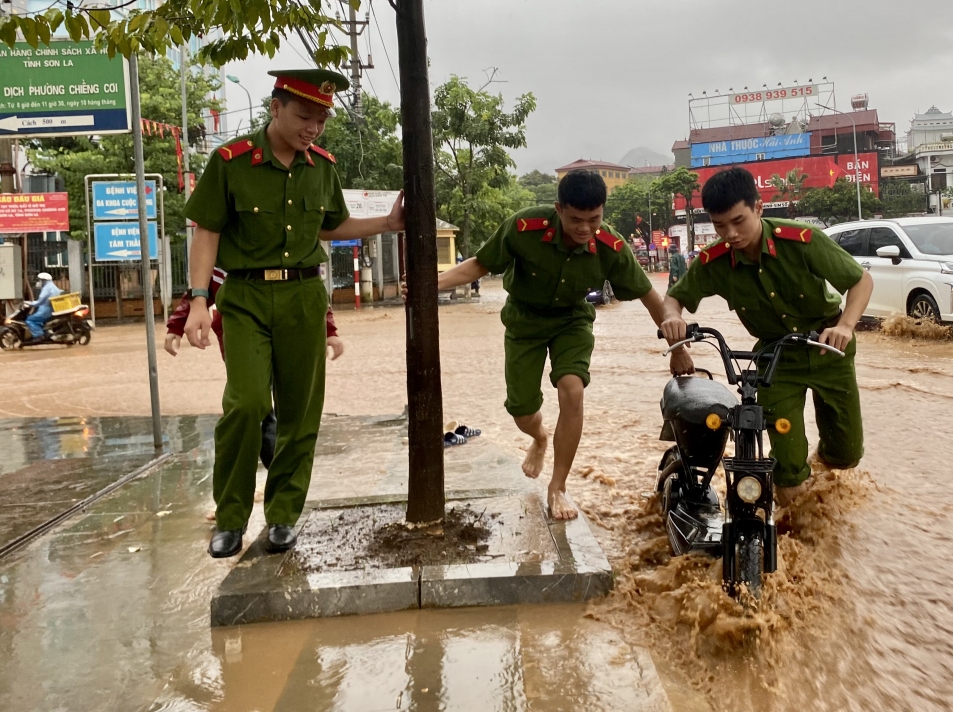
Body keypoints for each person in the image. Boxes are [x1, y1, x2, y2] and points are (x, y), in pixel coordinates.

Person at [182, 68, 405, 559]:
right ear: (276, 107)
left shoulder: (322, 166)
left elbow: (332, 224)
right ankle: (231, 516)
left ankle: (283, 514)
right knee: (244, 405)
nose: (313, 128)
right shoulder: (230, 161)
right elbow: (207, 232)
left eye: (321, 120)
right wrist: (199, 300)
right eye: (305, 116)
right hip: (244, 297)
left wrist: (387, 223)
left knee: (300, 415)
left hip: (304, 298)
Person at [430, 170, 693, 520]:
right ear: (558, 209)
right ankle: (539, 438)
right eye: (575, 220)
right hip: (524, 320)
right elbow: (479, 264)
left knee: (573, 390)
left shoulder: (611, 246)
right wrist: (432, 284)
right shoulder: (525, 227)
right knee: (522, 411)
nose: (585, 229)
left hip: (572, 320)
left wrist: (678, 349)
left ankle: (558, 487)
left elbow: (649, 296)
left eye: (594, 219)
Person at [659, 167, 873, 503]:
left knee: (846, 454)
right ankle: (795, 519)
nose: (730, 233)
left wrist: (845, 326)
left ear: (759, 208)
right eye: (719, 225)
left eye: (738, 221)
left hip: (827, 348)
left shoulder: (802, 242)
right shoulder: (713, 261)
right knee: (787, 469)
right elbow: (675, 298)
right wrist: (672, 318)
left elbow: (861, 281)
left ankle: (824, 477)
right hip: (775, 360)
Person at [163, 267, 345, 468]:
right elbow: (204, 288)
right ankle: (258, 468)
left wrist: (329, 330)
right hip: (240, 337)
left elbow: (309, 286)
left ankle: (282, 473)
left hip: (288, 330)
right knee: (253, 403)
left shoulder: (291, 253)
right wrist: (177, 325)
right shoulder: (231, 253)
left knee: (290, 404)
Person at [25, 272, 62, 341]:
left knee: (30, 320)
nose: (38, 282)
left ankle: (38, 335)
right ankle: (45, 333)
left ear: (43, 280)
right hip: (51, 309)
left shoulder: (46, 288)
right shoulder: (53, 286)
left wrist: (29, 303)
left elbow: (39, 302)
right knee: (38, 320)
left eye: (39, 280)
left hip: (45, 310)